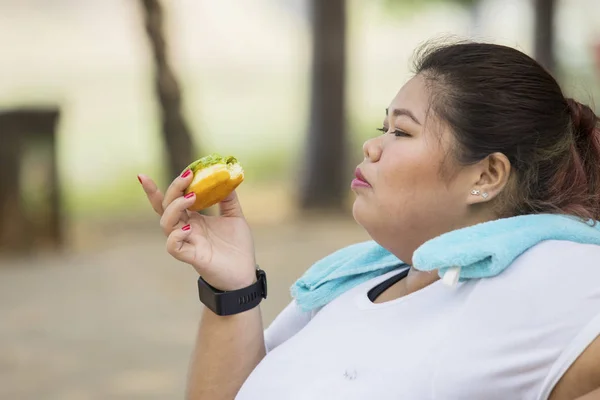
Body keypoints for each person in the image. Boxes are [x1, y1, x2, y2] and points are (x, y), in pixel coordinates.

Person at [138, 41, 600, 400]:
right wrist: (231, 287)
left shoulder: (554, 272)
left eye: (401, 131)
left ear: (486, 174)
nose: (372, 147)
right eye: (384, 129)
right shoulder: (342, 287)